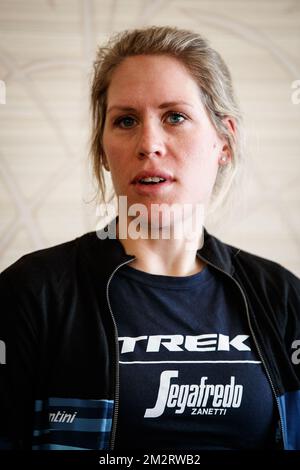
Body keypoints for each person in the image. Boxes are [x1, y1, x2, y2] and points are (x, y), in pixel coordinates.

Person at [0, 25, 299, 452]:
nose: (149, 144)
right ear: (103, 149)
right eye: (125, 120)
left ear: (223, 140)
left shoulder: (282, 297)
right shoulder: (31, 292)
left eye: (174, 116)